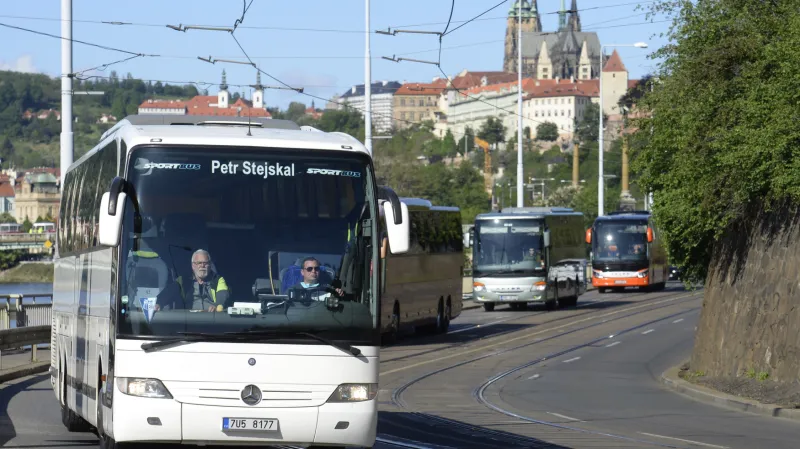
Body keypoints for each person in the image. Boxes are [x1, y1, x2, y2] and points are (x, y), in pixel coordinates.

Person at [156, 249, 230, 312]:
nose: (202, 266)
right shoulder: (182, 281)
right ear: (193, 266)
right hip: (188, 321)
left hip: (212, 320)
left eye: (205, 263)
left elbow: (223, 295)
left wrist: (218, 307)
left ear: (210, 265)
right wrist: (158, 303)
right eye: (199, 263)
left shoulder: (218, 280)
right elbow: (167, 292)